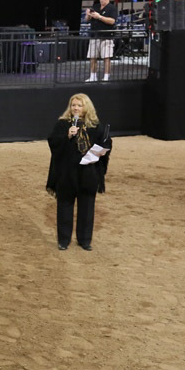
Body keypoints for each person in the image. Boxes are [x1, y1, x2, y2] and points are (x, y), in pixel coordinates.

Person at [46, 94, 112, 252]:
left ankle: (84, 240)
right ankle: (63, 240)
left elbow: (106, 142)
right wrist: (67, 136)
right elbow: (53, 143)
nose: (75, 108)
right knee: (64, 206)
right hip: (67, 173)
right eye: (73, 105)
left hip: (88, 172)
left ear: (86, 107)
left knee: (87, 207)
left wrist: (102, 151)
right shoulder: (62, 124)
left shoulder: (96, 126)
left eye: (79, 105)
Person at [85, 0, 117, 82]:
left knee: (106, 57)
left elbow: (112, 21)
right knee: (92, 57)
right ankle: (93, 76)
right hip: (94, 36)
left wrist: (99, 17)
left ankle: (106, 77)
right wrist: (88, 15)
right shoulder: (96, 6)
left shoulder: (112, 8)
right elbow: (87, 20)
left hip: (106, 37)